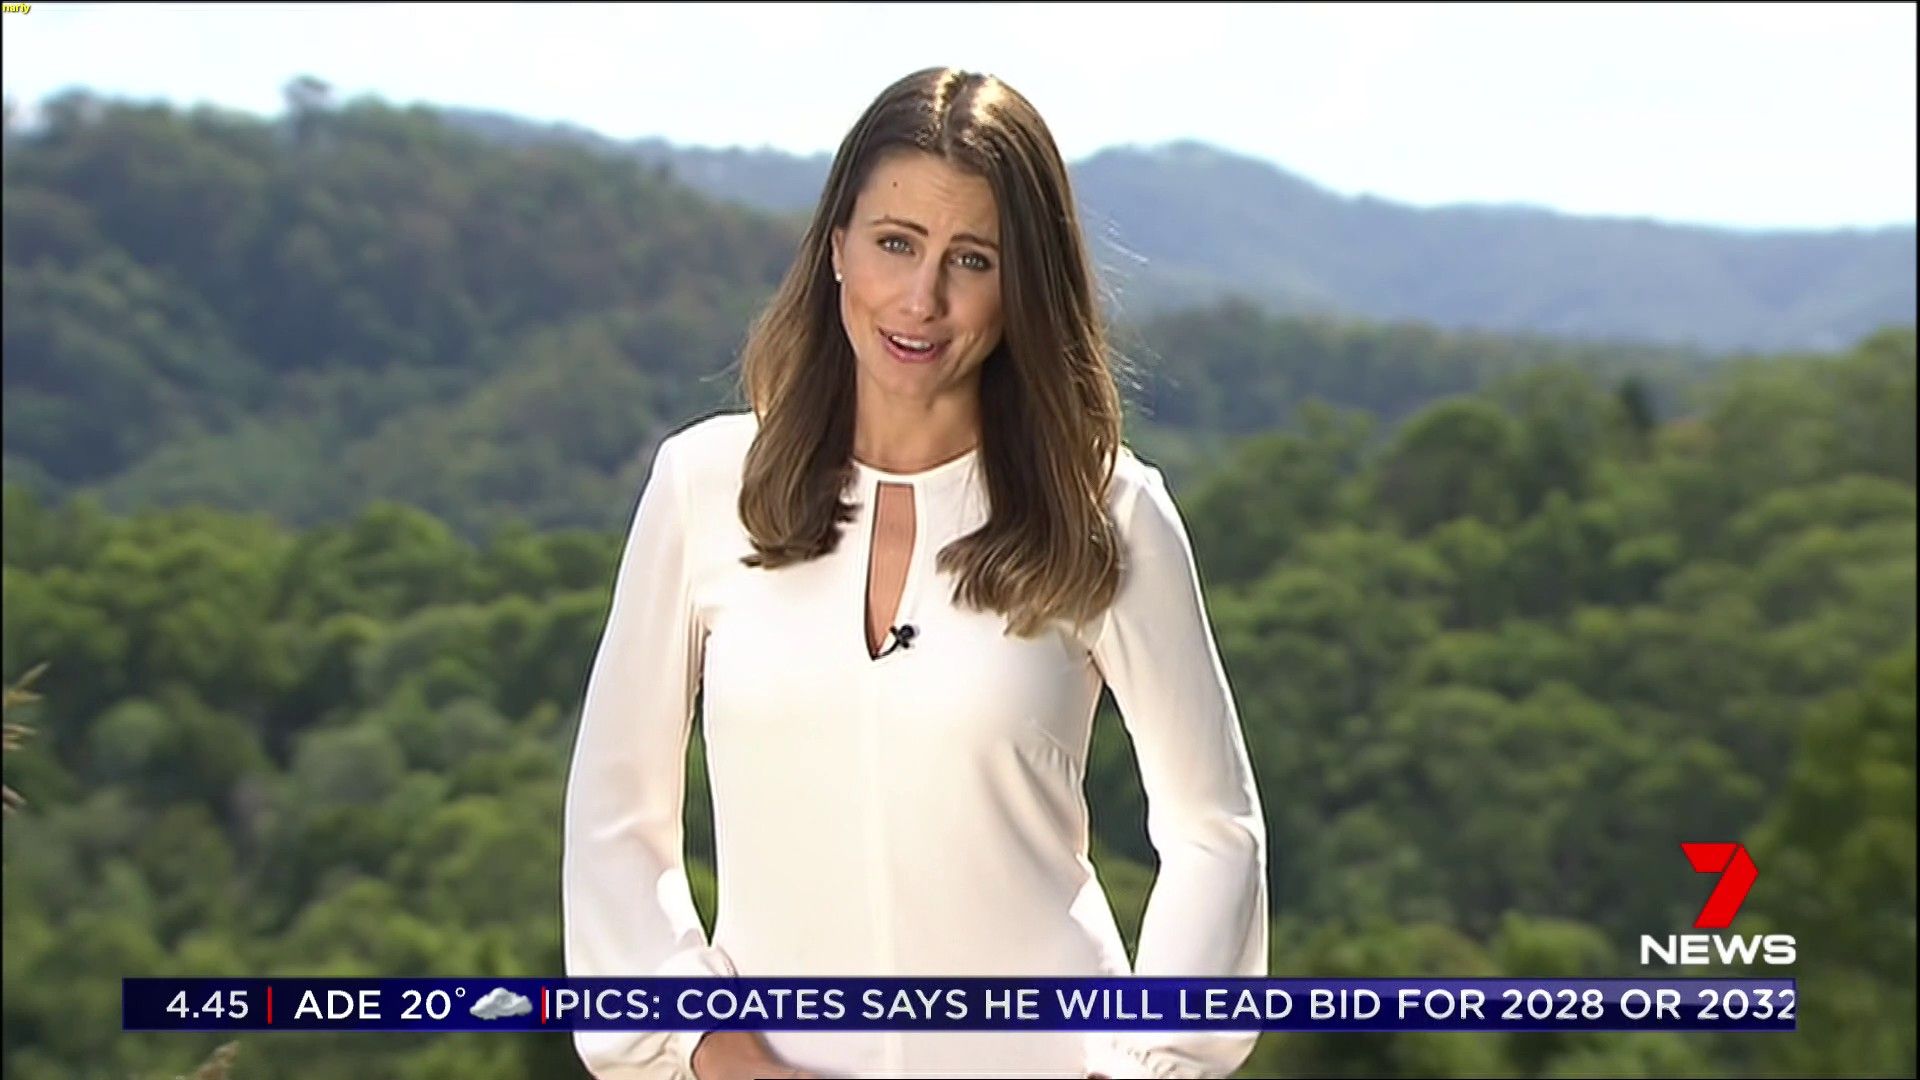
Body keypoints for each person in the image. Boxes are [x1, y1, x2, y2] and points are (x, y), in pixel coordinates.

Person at [562, 66, 1268, 1080]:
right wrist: (714, 1052)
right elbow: (614, 822)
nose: (922, 299)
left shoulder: (1108, 513)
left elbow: (1215, 831)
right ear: (837, 246)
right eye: (895, 243)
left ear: (1023, 288)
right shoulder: (702, 486)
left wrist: (1146, 1063)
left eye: (971, 260)